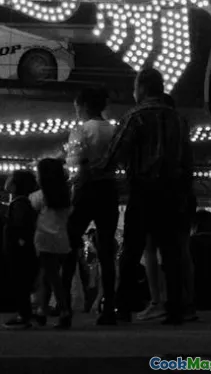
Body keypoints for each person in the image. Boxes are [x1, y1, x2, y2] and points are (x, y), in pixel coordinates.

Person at [98, 67, 193, 326]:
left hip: (142, 190)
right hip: (171, 192)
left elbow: (114, 153)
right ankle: (175, 308)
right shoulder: (178, 119)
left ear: (141, 88)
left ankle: (123, 308)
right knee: (171, 252)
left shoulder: (134, 116)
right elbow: (187, 160)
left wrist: (99, 172)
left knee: (132, 250)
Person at [62, 85, 118, 325]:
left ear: (83, 106)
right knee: (107, 251)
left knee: (68, 245)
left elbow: (76, 162)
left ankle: (65, 307)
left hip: (86, 190)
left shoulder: (81, 130)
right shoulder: (114, 129)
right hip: (109, 190)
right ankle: (109, 307)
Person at [30, 157, 72, 329]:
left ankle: (64, 310)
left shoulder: (39, 196)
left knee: (51, 277)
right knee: (50, 276)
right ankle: (42, 311)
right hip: (62, 239)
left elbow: (30, 208)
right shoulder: (66, 195)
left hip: (44, 238)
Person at [2, 168, 38, 329]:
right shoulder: (22, 202)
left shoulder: (19, 203)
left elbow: (19, 225)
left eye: (10, 178)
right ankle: (25, 314)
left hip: (18, 250)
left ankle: (24, 315)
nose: (6, 180)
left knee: (20, 282)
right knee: (22, 283)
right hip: (22, 249)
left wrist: (19, 242)